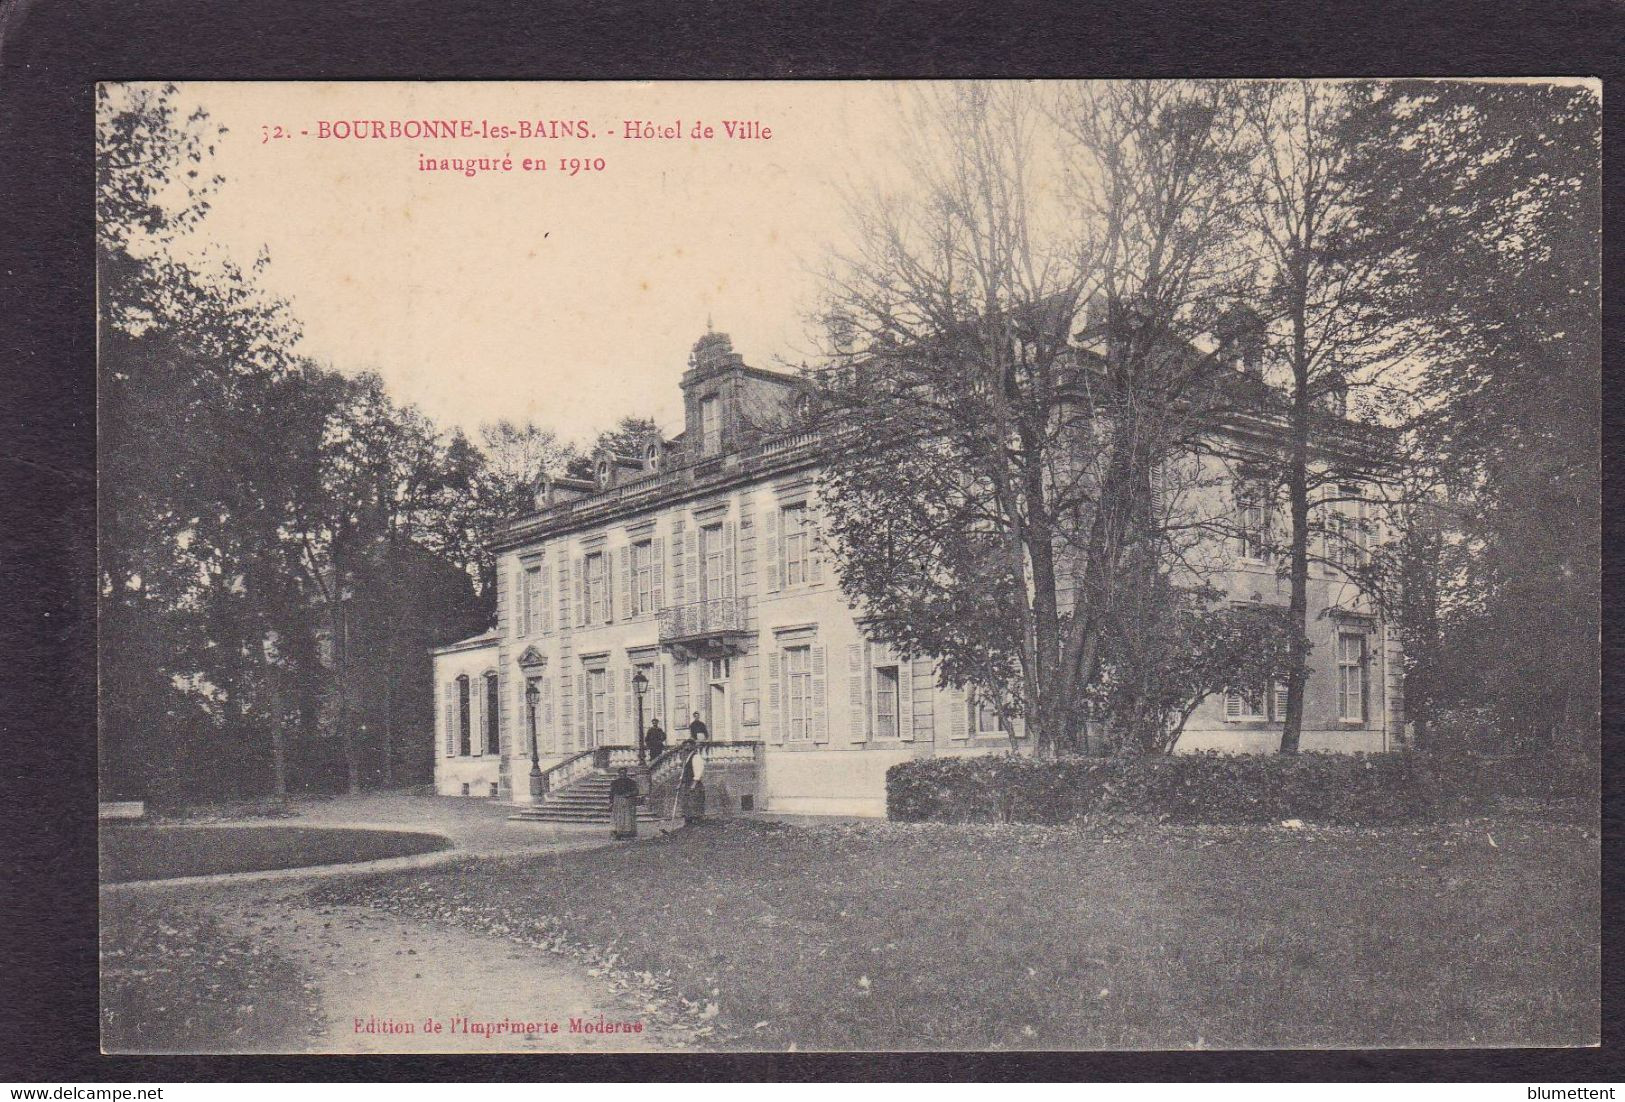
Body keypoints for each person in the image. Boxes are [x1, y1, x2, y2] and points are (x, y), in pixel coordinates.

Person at [608, 767, 640, 840]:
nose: (622, 774)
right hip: (617, 801)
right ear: (618, 774)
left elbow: (636, 791)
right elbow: (611, 793)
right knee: (618, 817)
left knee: (627, 817)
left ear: (626, 773)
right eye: (621, 773)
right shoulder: (614, 782)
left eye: (624, 773)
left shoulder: (631, 782)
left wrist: (629, 794)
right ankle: (617, 833)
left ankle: (628, 833)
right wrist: (611, 802)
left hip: (627, 801)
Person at [679, 745, 706, 826]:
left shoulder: (696, 757)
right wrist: (680, 783)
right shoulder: (686, 759)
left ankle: (697, 821)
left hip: (693, 783)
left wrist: (694, 784)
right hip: (687, 783)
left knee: (694, 801)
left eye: (685, 750)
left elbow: (699, 771)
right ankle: (688, 821)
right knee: (686, 802)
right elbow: (684, 772)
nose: (683, 752)